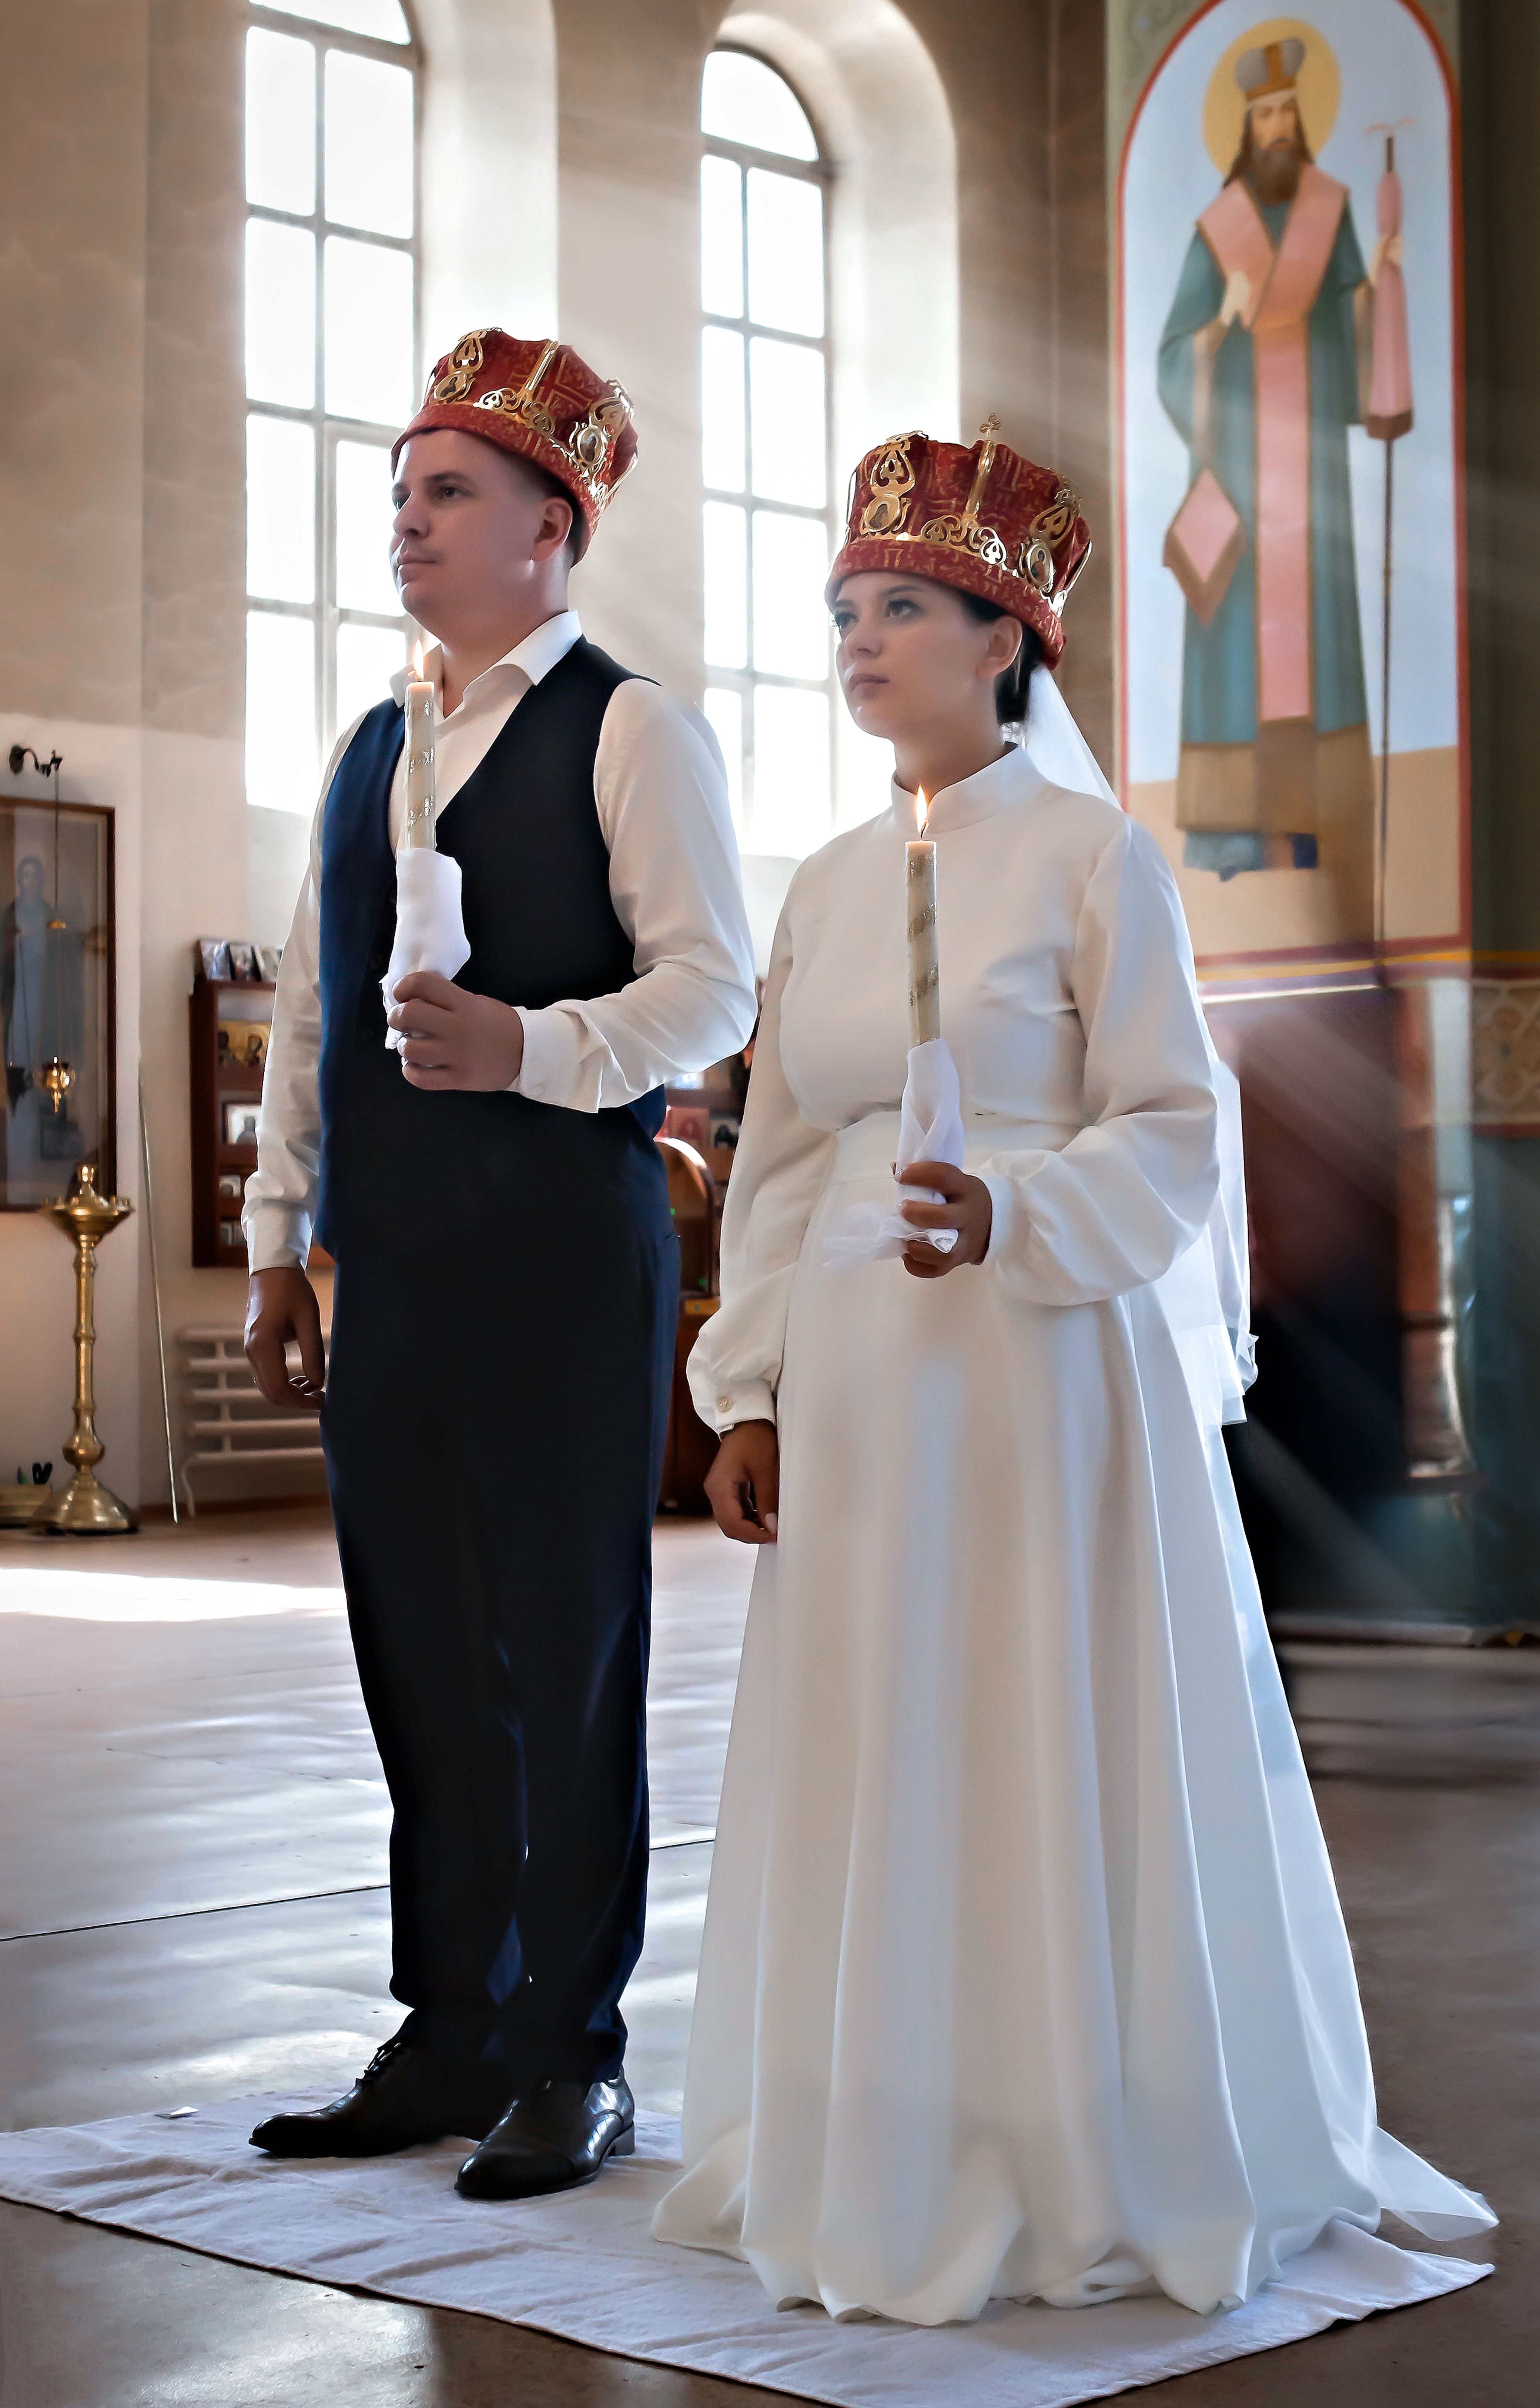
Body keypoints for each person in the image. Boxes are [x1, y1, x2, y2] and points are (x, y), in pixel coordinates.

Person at [651, 422, 1493, 2320]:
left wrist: (1013, 1218)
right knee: (878, 1729)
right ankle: (879, 2128)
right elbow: (781, 1158)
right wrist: (750, 1389)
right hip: (857, 1381)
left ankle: (1067, 2137)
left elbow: (1174, 1126)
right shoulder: (825, 883)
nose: (859, 642)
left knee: (1031, 1720)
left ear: (1004, 639)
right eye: (845, 612)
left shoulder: (1094, 858)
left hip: (1040, 1375)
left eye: (901, 609)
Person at [242, 329, 756, 2200]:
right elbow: (314, 1005)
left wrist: (532, 1047)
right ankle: (450, 2024)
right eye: (399, 493)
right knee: (421, 1650)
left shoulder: (632, 729)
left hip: (559, 1259)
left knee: (566, 1649)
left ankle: (570, 2052)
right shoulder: (367, 747)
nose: (408, 521)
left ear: (554, 525)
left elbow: (714, 986)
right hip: (389, 1266)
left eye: (448, 491)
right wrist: (278, 1238)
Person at [1158, 33, 1401, 922]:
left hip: (1310, 480)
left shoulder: (1328, 215)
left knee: (1313, 650)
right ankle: (1234, 838)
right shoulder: (1215, 230)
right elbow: (1172, 357)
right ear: (1245, 129)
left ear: (1300, 120)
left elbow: (1349, 320)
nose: (1274, 128)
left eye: (1284, 113)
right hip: (1236, 480)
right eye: (1261, 115)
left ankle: (1316, 825)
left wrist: (1374, 297)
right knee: (1238, 653)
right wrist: (1217, 329)